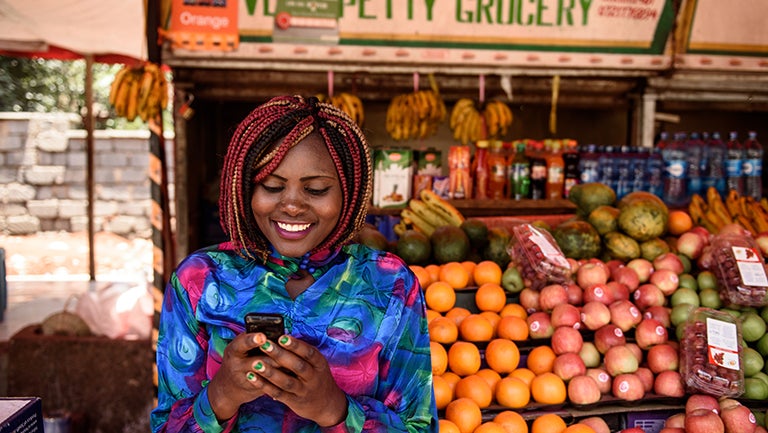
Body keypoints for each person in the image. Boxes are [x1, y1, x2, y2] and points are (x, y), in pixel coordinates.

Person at [151, 95, 438, 433]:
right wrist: (222, 394)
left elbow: (419, 427)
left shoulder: (389, 284)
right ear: (244, 187)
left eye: (316, 190)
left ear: (349, 193)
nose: (291, 205)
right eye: (272, 186)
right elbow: (166, 426)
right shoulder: (200, 281)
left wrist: (334, 408)